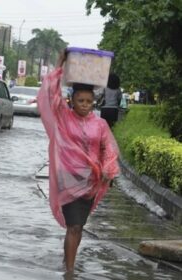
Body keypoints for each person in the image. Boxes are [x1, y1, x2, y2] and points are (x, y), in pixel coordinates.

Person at [36, 51, 120, 273]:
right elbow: (49, 93)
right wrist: (61, 63)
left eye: (89, 101)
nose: (85, 105)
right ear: (71, 101)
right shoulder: (63, 117)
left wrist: (108, 168)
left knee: (78, 226)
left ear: (94, 102)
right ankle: (70, 272)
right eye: (80, 100)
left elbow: (108, 148)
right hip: (68, 180)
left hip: (90, 183)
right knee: (74, 225)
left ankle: (67, 262)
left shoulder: (100, 124)